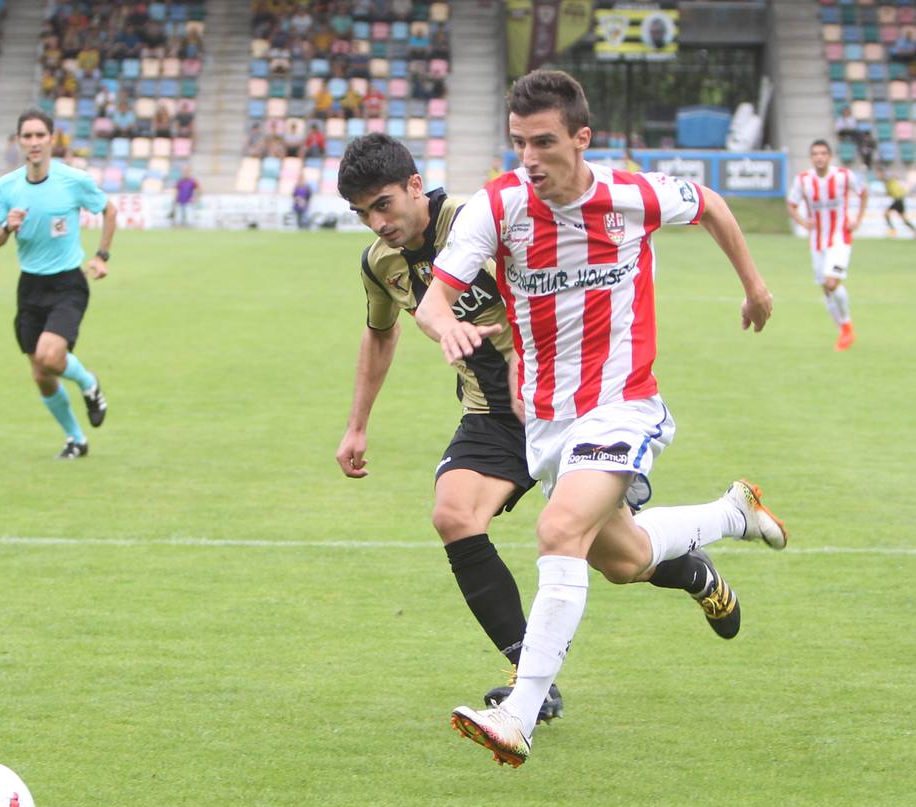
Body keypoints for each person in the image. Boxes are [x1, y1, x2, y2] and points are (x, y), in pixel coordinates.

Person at [333, 131, 768, 737]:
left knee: (619, 557)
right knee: (455, 514)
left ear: (414, 186)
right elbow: (382, 333)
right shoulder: (379, 264)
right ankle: (528, 675)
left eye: (383, 205)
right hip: (491, 413)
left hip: (565, 402)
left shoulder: (485, 218)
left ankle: (708, 547)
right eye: (361, 213)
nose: (376, 223)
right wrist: (357, 425)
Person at [413, 70, 787, 768]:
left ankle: (518, 715)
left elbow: (711, 206)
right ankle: (733, 514)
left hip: (623, 402)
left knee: (557, 530)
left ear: (582, 139)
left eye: (545, 142)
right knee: (626, 559)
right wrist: (444, 330)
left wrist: (756, 286)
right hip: (549, 422)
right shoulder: (499, 206)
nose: (530, 158)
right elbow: (437, 299)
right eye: (520, 143)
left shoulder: (631, 195)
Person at [0, 109, 117, 460]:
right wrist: (8, 227)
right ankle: (76, 439)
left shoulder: (72, 180)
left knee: (50, 355)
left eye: (39, 135)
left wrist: (101, 256)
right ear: (18, 142)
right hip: (29, 286)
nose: (33, 142)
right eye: (26, 136)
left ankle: (89, 382)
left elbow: (109, 210)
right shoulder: (7, 186)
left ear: (51, 139)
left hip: (67, 284)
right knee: (41, 374)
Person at [786, 139, 867, 351]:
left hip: (840, 238)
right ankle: (843, 331)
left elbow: (863, 192)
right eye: (815, 153)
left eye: (823, 153)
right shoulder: (803, 180)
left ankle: (847, 326)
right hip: (817, 241)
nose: (819, 157)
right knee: (826, 289)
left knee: (832, 284)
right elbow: (792, 204)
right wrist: (803, 222)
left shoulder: (843, 175)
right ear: (811, 158)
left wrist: (857, 220)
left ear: (829, 156)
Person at [880, 167, 915, 236]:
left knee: (886, 213)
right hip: (899, 199)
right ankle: (914, 230)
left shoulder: (888, 180)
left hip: (898, 199)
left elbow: (889, 179)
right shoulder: (888, 183)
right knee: (903, 218)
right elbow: (889, 193)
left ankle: (892, 230)